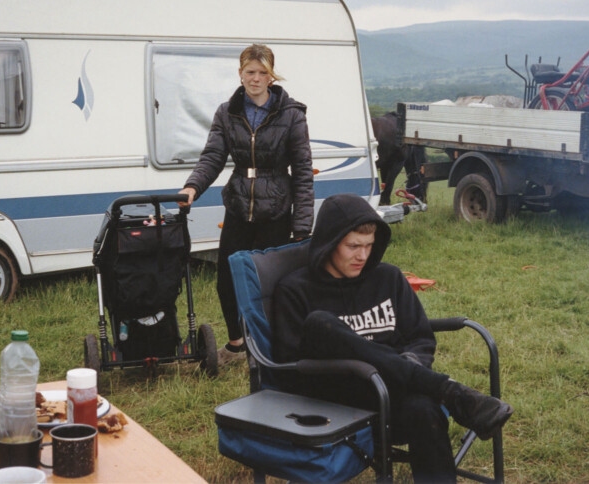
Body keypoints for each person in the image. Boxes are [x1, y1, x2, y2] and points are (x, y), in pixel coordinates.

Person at [272, 193, 513, 483]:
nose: (363, 256)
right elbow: (289, 366)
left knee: (424, 408)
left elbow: (420, 337)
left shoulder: (388, 278)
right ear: (328, 242)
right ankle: (449, 391)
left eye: (369, 246)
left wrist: (408, 364)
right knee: (320, 322)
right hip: (336, 397)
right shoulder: (295, 291)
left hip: (395, 393)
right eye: (353, 246)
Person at [180, 44, 314, 366]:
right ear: (240, 74)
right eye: (249, 72)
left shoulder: (292, 114)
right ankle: (237, 345)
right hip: (239, 206)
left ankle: (269, 348)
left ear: (271, 76)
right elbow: (213, 156)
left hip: (277, 210)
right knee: (226, 279)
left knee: (273, 285)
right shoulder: (227, 112)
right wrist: (193, 185)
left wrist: (302, 224)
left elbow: (304, 171)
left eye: (262, 72)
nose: (255, 78)